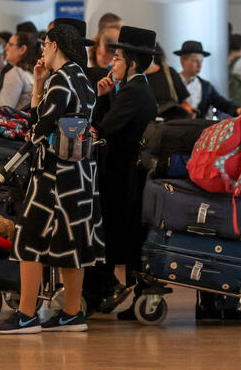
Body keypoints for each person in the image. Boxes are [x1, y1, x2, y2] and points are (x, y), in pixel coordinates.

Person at [0, 23, 102, 334]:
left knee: (29, 239)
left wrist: (37, 98)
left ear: (54, 45)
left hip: (53, 175)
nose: (43, 50)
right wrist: (39, 83)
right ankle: (71, 313)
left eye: (45, 45)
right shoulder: (84, 78)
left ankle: (26, 315)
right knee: (72, 241)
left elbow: (40, 123)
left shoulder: (61, 79)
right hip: (81, 173)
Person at [84, 26, 159, 318]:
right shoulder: (130, 89)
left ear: (133, 62)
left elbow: (104, 128)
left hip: (122, 178)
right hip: (123, 175)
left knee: (116, 238)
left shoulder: (135, 92)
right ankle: (117, 291)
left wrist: (101, 101)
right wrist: (104, 94)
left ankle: (105, 291)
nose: (112, 63)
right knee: (122, 239)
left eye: (117, 58)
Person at [175, 40, 238, 118]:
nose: (199, 65)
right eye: (195, 61)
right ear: (182, 61)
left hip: (198, 128)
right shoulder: (172, 82)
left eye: (201, 61)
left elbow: (222, 103)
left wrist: (238, 110)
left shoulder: (206, 86)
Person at [145, 44, 191, 120]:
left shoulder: (168, 72)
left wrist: (188, 110)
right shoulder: (134, 76)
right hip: (146, 125)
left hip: (170, 123)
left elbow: (183, 101)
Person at [0, 32, 37, 111]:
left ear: (22, 49)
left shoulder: (15, 74)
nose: (6, 48)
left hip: (18, 122)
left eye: (10, 45)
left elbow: (4, 110)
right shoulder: (35, 72)